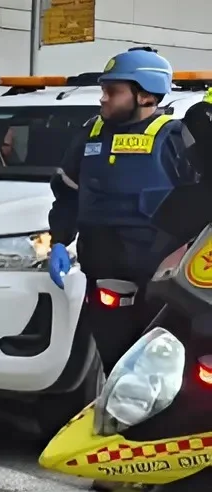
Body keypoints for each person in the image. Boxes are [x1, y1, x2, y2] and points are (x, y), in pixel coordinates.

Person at [50, 47, 195, 372]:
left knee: (165, 368)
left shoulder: (176, 138)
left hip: (165, 278)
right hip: (105, 271)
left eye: (113, 92)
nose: (103, 99)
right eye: (104, 90)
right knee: (115, 361)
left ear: (145, 96)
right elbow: (67, 193)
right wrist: (59, 240)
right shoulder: (91, 134)